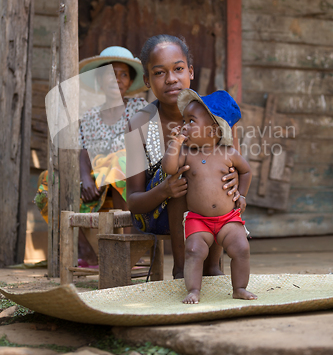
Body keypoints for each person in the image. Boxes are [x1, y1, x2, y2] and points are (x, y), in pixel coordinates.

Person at [126, 35, 240, 279]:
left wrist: (236, 182)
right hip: (157, 212)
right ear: (147, 80)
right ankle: (181, 270)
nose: (171, 79)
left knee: (214, 171)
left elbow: (234, 164)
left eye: (178, 69)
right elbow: (133, 202)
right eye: (159, 73)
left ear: (190, 71)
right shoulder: (139, 123)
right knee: (185, 171)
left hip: (212, 211)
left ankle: (212, 267)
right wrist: (165, 189)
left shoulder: (213, 117)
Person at [35, 46, 148, 265]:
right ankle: (85, 251)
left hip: (128, 177)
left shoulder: (139, 107)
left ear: (130, 80)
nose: (117, 79)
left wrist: (108, 164)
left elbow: (139, 148)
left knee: (118, 162)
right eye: (110, 74)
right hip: (97, 180)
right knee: (47, 181)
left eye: (123, 74)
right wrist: (86, 177)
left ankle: (125, 248)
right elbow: (84, 151)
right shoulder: (91, 115)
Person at [162, 89, 257, 303]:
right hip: (198, 220)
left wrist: (242, 194)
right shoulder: (187, 152)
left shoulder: (229, 154)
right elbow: (169, 168)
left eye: (191, 121)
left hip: (228, 219)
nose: (185, 126)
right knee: (194, 251)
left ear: (214, 130)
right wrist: (175, 144)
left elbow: (247, 171)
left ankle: (239, 288)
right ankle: (193, 290)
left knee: (241, 248)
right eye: (184, 120)